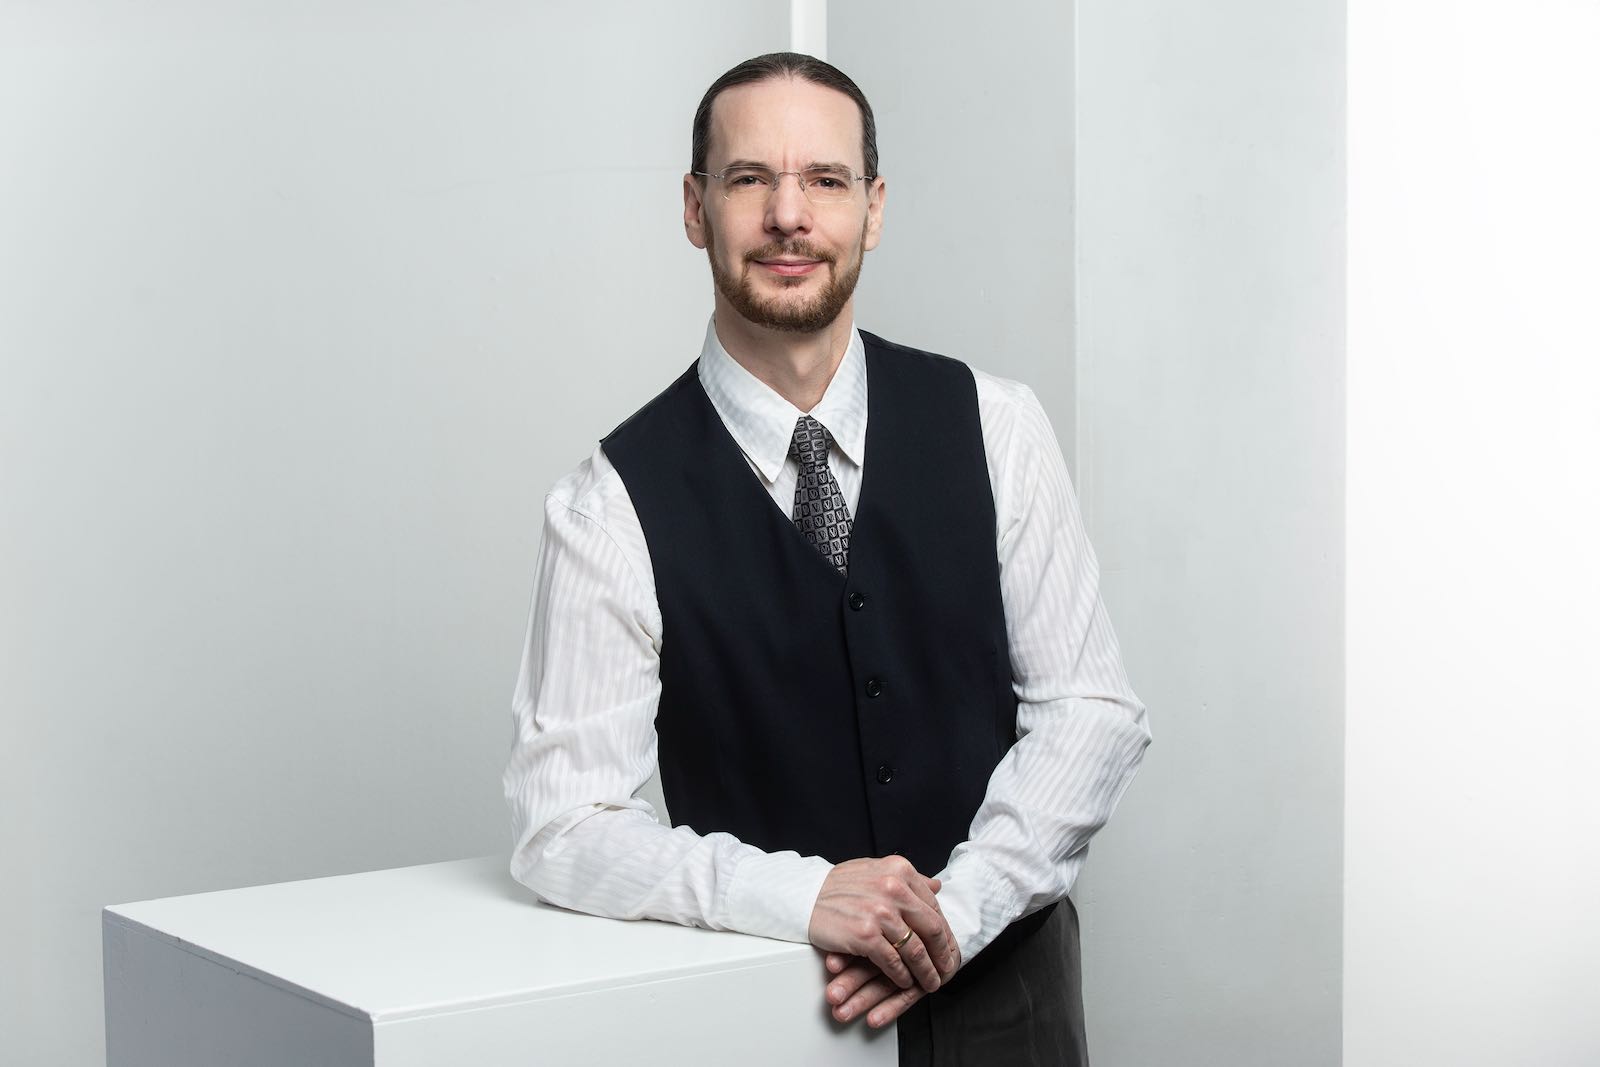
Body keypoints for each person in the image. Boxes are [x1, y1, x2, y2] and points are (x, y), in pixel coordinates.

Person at [502, 51, 1150, 1064]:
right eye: (749, 179)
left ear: (872, 208)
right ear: (695, 208)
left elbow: (1092, 710)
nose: (789, 216)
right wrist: (804, 894)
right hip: (781, 1019)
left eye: (826, 180)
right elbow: (566, 825)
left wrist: (954, 909)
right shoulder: (607, 503)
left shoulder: (998, 427)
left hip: (1013, 1007)